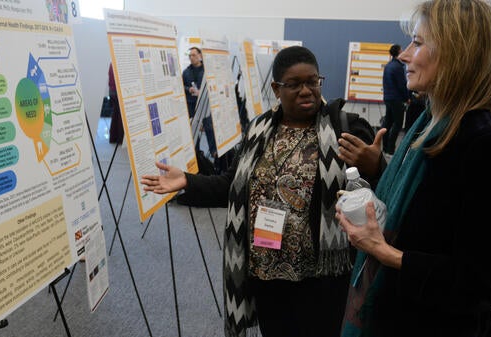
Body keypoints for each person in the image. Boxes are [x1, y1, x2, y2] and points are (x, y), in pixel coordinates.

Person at [142, 46, 378, 337]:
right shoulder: (258, 130)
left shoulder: (346, 128)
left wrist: (376, 165)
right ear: (276, 88)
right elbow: (232, 185)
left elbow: (376, 194)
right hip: (266, 271)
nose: (306, 91)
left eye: (313, 81)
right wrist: (189, 182)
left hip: (322, 278)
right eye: (294, 84)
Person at [336, 1, 491, 337]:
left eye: (418, 43)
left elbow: (481, 283)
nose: (406, 55)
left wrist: (382, 251)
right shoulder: (431, 122)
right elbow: (431, 205)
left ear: (457, 54)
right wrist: (380, 167)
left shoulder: (487, 146)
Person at [182, 47, 217, 158]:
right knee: (194, 129)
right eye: (190, 55)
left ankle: (214, 151)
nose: (191, 57)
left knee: (209, 127)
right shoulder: (186, 72)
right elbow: (181, 86)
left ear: (200, 55)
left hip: (205, 104)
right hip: (191, 104)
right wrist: (189, 89)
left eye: (194, 55)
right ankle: (196, 153)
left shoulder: (207, 70)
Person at [381, 44, 409, 155]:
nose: (403, 51)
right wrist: (407, 98)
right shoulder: (398, 67)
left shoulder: (388, 66)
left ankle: (385, 147)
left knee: (388, 122)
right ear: (398, 52)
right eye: (401, 50)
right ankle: (391, 150)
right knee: (397, 124)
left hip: (388, 98)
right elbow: (402, 85)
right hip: (396, 99)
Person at [108, 63, 124, 144]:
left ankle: (113, 138)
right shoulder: (119, 64)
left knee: (115, 114)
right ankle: (119, 139)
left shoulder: (112, 64)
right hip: (118, 91)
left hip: (112, 91)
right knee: (120, 116)